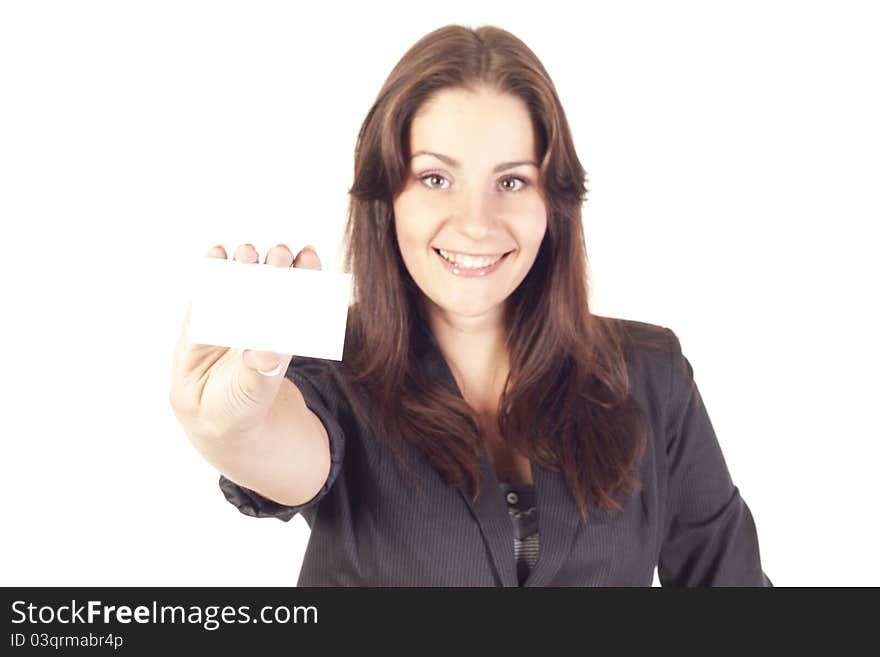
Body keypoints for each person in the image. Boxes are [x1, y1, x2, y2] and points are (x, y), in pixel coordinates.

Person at [170, 24, 772, 587]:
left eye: (511, 181)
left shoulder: (651, 370)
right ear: (387, 197)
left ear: (552, 202)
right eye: (435, 178)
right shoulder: (329, 369)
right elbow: (285, 450)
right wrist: (231, 424)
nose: (476, 225)